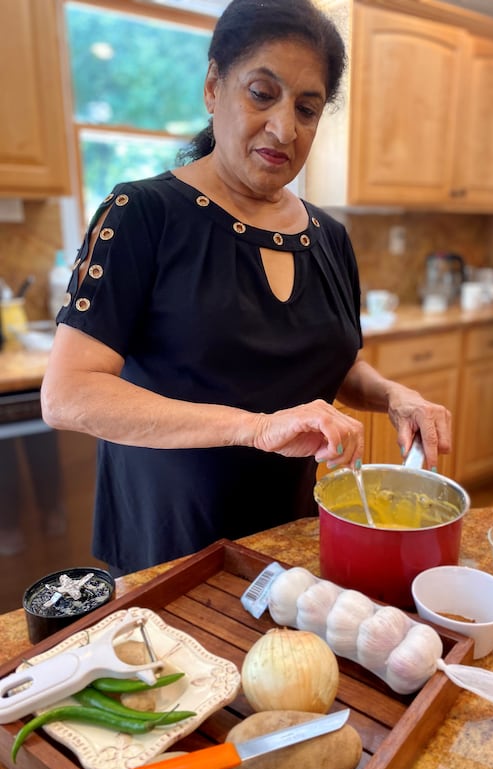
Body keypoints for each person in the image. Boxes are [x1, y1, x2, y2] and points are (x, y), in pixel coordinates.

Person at [41, 0, 451, 576]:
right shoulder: (142, 214)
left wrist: (391, 394)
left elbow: (329, 361)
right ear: (214, 86)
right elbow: (68, 394)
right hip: (173, 543)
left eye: (307, 109)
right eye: (262, 93)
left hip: (292, 537)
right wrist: (256, 428)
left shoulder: (329, 237)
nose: (284, 127)